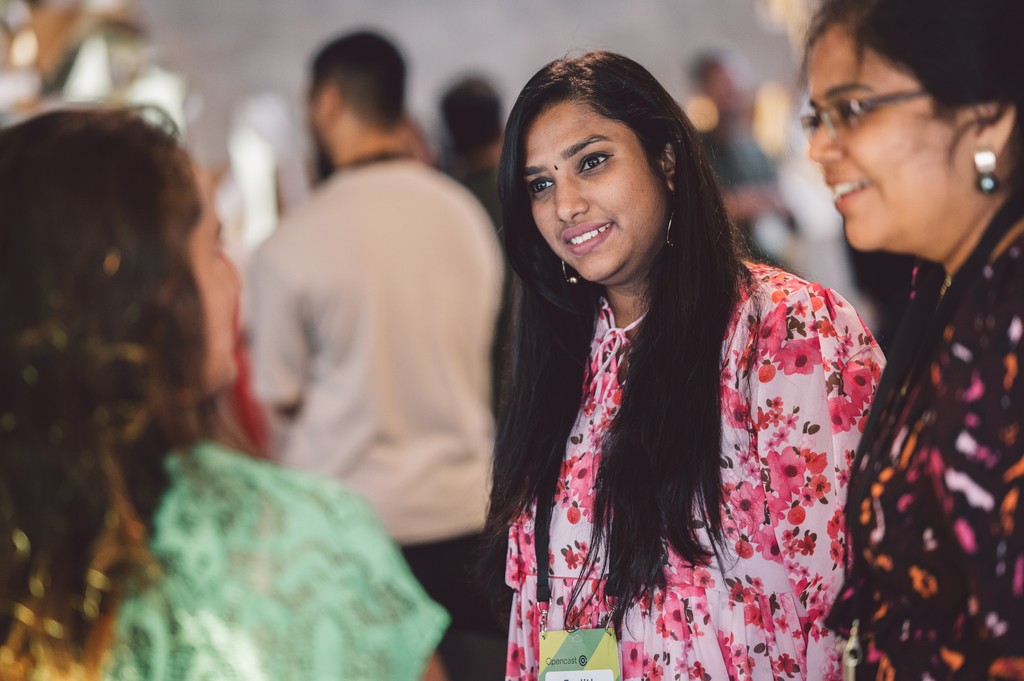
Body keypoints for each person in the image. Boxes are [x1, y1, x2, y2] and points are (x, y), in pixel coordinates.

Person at [0, 107, 448, 681]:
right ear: (149, 298)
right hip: (457, 518)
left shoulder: (298, 243)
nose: (232, 276)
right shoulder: (303, 542)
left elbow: (279, 392)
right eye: (214, 247)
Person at [483, 51, 885, 681]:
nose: (566, 205)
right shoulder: (565, 365)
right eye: (540, 183)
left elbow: (850, 601)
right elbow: (563, 613)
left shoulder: (783, 329)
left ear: (665, 160)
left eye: (592, 162)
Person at [246, 30, 506, 678]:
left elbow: (278, 393)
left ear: (328, 104)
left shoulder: (292, 241)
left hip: (348, 532)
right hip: (469, 510)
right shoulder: (464, 215)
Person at [803, 0, 1024, 676]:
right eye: (817, 118)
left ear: (985, 116)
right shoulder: (948, 285)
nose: (818, 147)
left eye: (854, 110)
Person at [690, 50, 794, 265]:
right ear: (705, 92)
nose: (733, 97)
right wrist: (744, 203)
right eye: (724, 89)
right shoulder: (693, 153)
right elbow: (691, 215)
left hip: (773, 267)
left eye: (736, 87)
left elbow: (786, 206)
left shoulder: (757, 149)